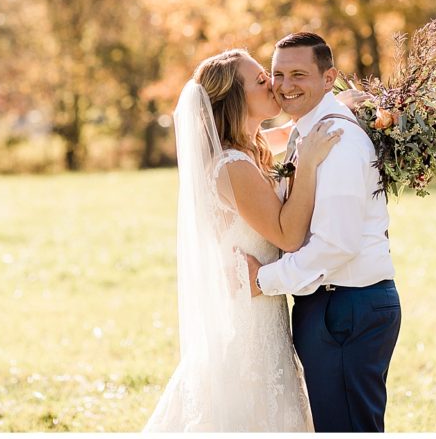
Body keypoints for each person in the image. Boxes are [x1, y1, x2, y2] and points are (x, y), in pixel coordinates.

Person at [144, 48, 348, 432]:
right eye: (260, 80)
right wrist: (308, 163)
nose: (273, 83)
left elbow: (290, 132)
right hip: (247, 321)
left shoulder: (249, 150)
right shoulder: (233, 166)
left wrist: (341, 104)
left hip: (263, 307)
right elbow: (288, 236)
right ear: (236, 99)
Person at [247, 32, 401, 433]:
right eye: (277, 74)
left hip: (348, 307)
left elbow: (337, 245)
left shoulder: (339, 140)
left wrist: (263, 280)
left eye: (299, 74)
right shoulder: (308, 131)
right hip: (330, 305)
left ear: (328, 77)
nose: (284, 85)